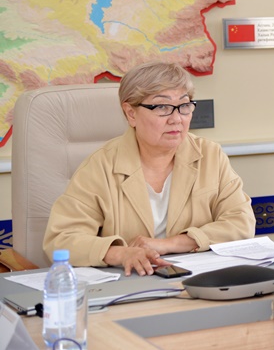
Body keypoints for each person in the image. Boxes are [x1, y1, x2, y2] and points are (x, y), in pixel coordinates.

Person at [43, 61, 256, 275]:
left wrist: (170, 244)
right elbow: (61, 240)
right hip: (130, 282)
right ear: (131, 113)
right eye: (162, 107)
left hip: (197, 278)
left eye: (184, 106)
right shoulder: (100, 166)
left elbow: (241, 222)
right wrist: (121, 254)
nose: (176, 119)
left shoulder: (210, 155)